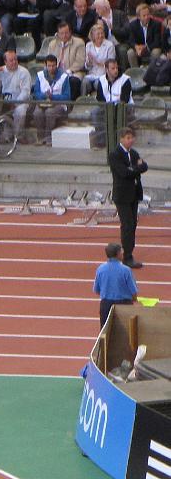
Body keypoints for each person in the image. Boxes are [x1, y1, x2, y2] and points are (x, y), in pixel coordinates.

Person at [109, 127, 148, 269]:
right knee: (128, 225)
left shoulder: (134, 153)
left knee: (133, 225)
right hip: (122, 195)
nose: (131, 140)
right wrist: (135, 168)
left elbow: (144, 166)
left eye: (132, 137)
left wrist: (135, 168)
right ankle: (127, 256)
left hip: (134, 194)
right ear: (121, 139)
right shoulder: (115, 155)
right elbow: (124, 173)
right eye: (128, 138)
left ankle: (128, 252)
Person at [93, 243, 138, 328]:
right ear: (118, 254)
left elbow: (97, 290)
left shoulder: (100, 269)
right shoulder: (126, 270)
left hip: (106, 304)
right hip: (124, 304)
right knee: (126, 331)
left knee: (105, 331)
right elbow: (133, 291)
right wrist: (134, 299)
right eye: (121, 251)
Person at [32, 54, 71, 146]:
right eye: (49, 66)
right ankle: (40, 138)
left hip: (58, 104)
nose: (51, 68)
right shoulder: (40, 75)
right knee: (37, 113)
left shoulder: (64, 76)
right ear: (45, 65)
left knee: (50, 112)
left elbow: (67, 96)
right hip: (43, 103)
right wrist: (44, 96)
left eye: (53, 65)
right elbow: (36, 93)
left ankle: (48, 137)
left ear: (56, 65)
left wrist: (53, 97)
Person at [93, 59, 133, 148]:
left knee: (119, 111)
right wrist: (108, 107)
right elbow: (100, 99)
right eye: (113, 68)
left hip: (123, 107)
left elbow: (124, 99)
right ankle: (102, 142)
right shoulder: (101, 80)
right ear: (106, 70)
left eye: (116, 68)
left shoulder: (125, 80)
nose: (116, 70)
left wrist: (113, 107)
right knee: (95, 112)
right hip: (107, 107)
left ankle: (119, 143)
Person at [0, 50, 31, 139]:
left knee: (20, 110)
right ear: (5, 62)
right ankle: (5, 136)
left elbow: (26, 92)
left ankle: (18, 136)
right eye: (11, 60)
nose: (14, 62)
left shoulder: (24, 72)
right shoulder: (0, 72)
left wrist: (15, 103)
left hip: (20, 101)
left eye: (15, 59)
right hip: (4, 100)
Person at [83, 23, 116, 96]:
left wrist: (97, 62)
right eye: (98, 34)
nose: (100, 36)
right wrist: (89, 62)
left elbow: (111, 65)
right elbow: (87, 66)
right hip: (92, 74)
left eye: (102, 33)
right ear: (92, 35)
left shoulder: (109, 45)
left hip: (104, 74)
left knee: (97, 84)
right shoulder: (89, 45)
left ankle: (101, 103)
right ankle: (83, 102)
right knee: (84, 82)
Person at [127, 3, 163, 68]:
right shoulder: (133, 25)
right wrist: (136, 47)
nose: (147, 17)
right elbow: (131, 40)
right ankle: (136, 72)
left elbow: (157, 42)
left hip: (151, 47)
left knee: (156, 52)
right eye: (144, 15)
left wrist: (145, 47)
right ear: (138, 17)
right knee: (130, 52)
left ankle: (151, 72)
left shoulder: (156, 24)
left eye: (148, 14)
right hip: (139, 49)